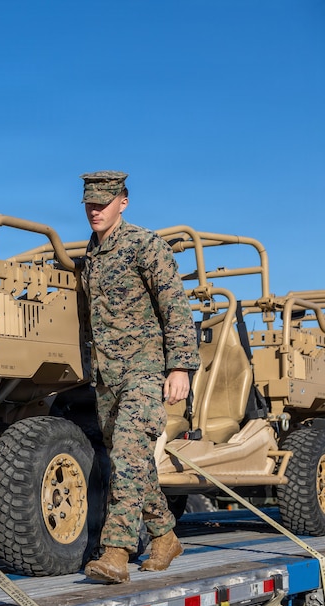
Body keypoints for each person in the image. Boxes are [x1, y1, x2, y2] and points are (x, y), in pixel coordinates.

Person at [77, 171, 200, 584]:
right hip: (107, 377)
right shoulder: (89, 257)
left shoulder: (146, 246)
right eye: (89, 203)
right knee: (134, 462)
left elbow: (176, 308)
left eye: (103, 203)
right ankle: (165, 536)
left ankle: (116, 553)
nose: (95, 210)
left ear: (122, 202)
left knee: (127, 457)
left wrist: (180, 366)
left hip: (145, 370)